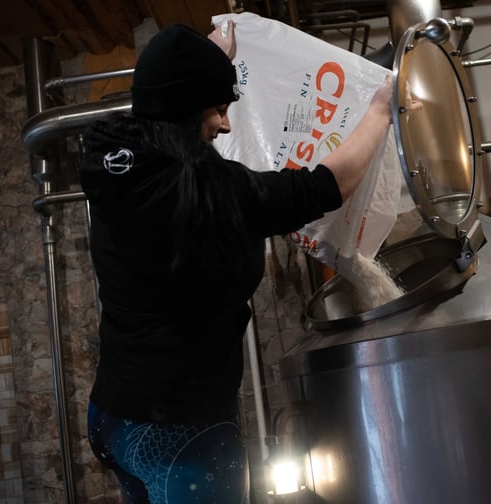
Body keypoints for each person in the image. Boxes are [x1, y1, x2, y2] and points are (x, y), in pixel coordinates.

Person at [80, 20, 417, 504]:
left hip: (112, 418)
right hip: (180, 434)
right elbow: (328, 185)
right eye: (219, 110)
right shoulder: (213, 194)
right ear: (186, 108)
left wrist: (208, 62)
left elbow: (169, 95)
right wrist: (381, 110)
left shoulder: (112, 155)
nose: (226, 125)